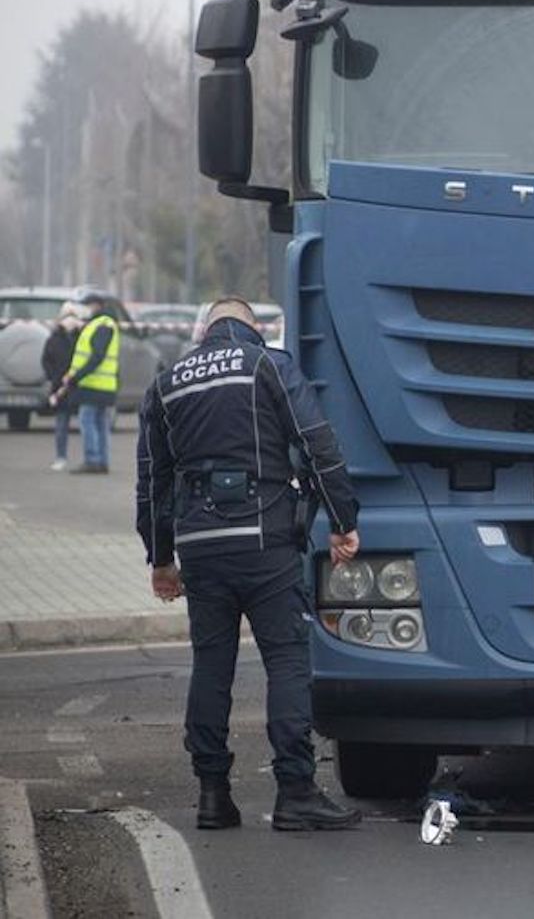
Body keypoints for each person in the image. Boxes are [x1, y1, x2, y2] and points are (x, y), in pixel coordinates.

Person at [135, 296, 363, 832]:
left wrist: (161, 558)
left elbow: (152, 482)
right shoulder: (269, 365)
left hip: (200, 546)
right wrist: (342, 519)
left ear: (206, 329)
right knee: (285, 661)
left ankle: (213, 795)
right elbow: (317, 444)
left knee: (211, 665)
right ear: (252, 327)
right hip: (265, 540)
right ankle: (295, 792)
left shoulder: (168, 383)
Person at [52, 292, 120, 474]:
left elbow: (96, 356)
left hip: (95, 384)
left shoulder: (102, 325)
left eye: (86, 305)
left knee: (88, 421)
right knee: (100, 423)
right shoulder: (99, 324)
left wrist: (76, 377)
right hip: (100, 384)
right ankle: (102, 461)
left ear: (96, 305)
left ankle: (93, 460)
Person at [41, 302, 85, 470]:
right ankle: (61, 457)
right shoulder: (53, 338)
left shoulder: (82, 336)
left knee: (85, 424)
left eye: (72, 315)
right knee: (61, 424)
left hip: (79, 386)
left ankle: (88, 457)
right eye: (67, 315)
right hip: (60, 388)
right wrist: (54, 378)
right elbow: (46, 361)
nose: (69, 319)